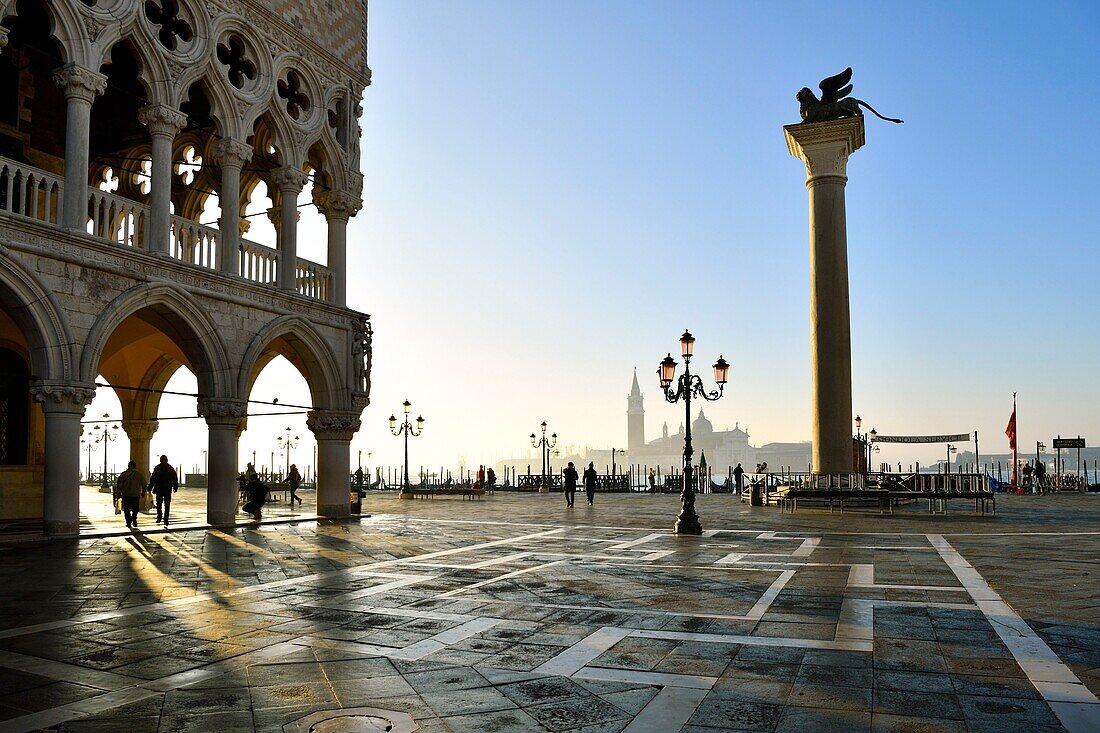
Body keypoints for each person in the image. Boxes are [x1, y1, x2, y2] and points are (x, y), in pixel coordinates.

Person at [114, 460, 148, 529]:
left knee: (126, 509)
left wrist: (118, 493)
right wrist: (143, 492)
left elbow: (119, 485)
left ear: (128, 466)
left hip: (126, 495)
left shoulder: (123, 474)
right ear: (135, 466)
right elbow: (144, 484)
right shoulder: (139, 474)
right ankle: (134, 518)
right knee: (135, 509)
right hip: (136, 495)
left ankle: (128, 522)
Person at [150, 455, 178, 526]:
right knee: (167, 504)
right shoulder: (170, 468)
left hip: (159, 488)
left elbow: (153, 478)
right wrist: (175, 487)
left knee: (159, 503)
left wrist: (150, 487)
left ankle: (159, 517)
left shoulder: (157, 468)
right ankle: (166, 519)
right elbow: (174, 478)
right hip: (167, 489)